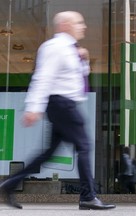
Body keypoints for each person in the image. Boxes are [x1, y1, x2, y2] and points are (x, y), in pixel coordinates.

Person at [0, 11, 115, 210]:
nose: (84, 26)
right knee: (85, 146)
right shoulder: (55, 47)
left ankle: (8, 185)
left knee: (48, 153)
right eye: (79, 23)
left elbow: (77, 77)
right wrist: (34, 107)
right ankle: (88, 196)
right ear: (65, 25)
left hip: (65, 104)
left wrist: (85, 60)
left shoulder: (72, 49)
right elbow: (43, 77)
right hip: (62, 104)